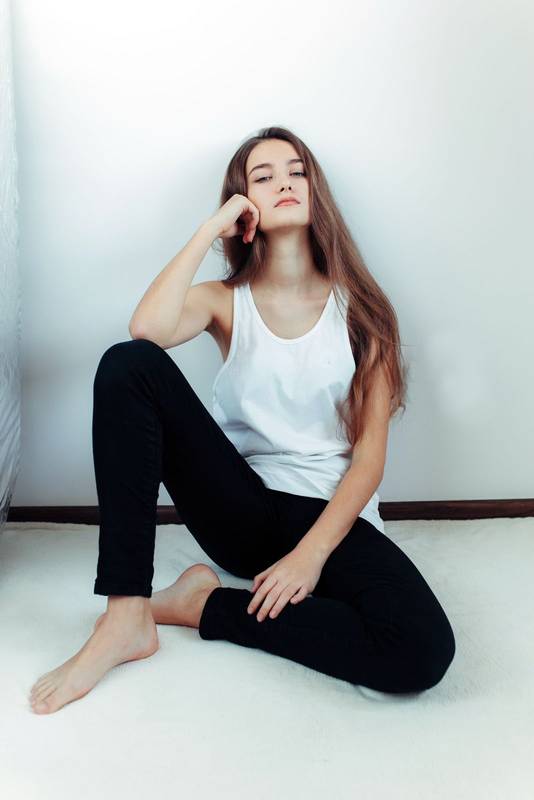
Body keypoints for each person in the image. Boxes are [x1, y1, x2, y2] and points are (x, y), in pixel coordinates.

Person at [29, 126, 455, 714]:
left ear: (315, 190)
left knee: (421, 650)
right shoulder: (226, 301)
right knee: (129, 365)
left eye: (297, 171)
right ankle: (126, 615)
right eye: (263, 176)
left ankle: (199, 605)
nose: (284, 182)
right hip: (243, 509)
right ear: (243, 201)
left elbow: (369, 459)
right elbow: (145, 330)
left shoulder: (364, 312)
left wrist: (310, 556)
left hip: (331, 516)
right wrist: (210, 230)